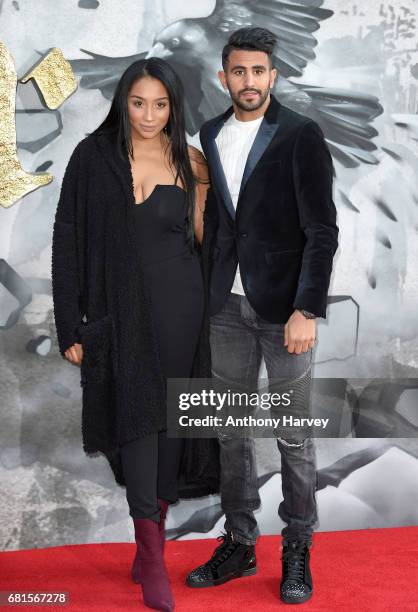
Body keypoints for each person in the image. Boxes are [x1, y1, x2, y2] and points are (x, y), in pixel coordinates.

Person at [51, 57, 218, 612]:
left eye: (161, 104)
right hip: (118, 313)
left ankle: (150, 542)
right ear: (123, 102)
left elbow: (202, 239)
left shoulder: (189, 160)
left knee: (170, 422)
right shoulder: (93, 158)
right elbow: (67, 242)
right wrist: (69, 323)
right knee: (138, 421)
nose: (149, 115)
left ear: (175, 106)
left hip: (182, 309)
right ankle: (151, 555)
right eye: (138, 102)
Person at [186, 27, 339, 604]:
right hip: (225, 307)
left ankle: (297, 549)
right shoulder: (210, 132)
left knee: (293, 436)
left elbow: (321, 232)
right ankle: (240, 543)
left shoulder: (301, 134)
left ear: (273, 76)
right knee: (231, 433)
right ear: (222, 77)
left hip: (284, 313)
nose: (248, 81)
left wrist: (306, 308)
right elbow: (224, 225)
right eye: (238, 72)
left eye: (258, 71)